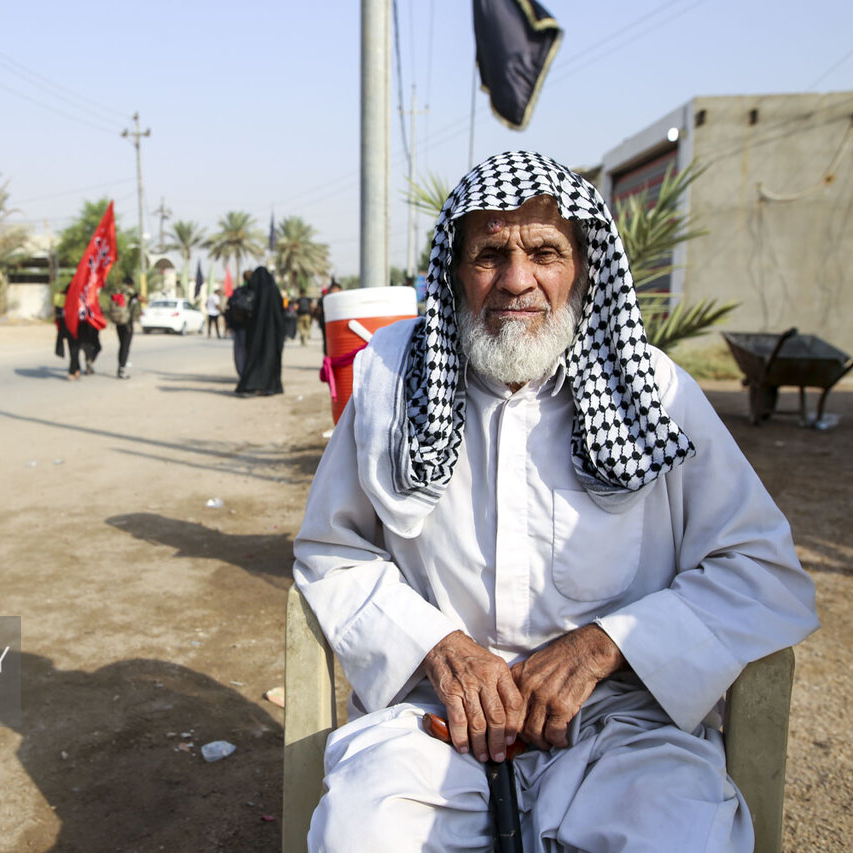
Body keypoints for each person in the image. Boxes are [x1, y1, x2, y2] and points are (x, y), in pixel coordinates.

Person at [292, 151, 818, 851]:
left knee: (681, 834)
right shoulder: (391, 383)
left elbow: (762, 572)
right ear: (455, 272)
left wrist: (609, 645)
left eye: (545, 251)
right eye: (489, 255)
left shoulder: (656, 396)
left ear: (582, 270)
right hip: (434, 720)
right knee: (367, 833)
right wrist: (439, 649)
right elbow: (334, 550)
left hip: (619, 725)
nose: (517, 279)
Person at [234, 267, 286, 396]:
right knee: (271, 360)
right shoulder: (275, 292)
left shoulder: (253, 292)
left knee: (254, 358)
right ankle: (271, 387)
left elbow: (244, 309)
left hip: (256, 334)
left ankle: (251, 385)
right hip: (273, 336)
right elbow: (281, 314)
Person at [108, 277, 141, 379]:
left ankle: (120, 367)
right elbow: (141, 298)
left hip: (118, 321)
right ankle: (121, 369)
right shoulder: (129, 292)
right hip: (127, 323)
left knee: (121, 345)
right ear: (130, 284)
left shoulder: (116, 291)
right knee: (125, 346)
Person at [315, 279, 342, 355]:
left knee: (327, 341)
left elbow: (319, 311)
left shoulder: (323, 299)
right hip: (326, 323)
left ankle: (327, 357)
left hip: (326, 322)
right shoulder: (331, 298)